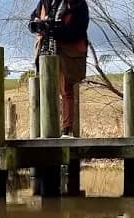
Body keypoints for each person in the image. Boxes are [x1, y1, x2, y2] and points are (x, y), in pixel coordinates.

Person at [29, 0, 89, 137]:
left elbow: (78, 31)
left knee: (66, 90)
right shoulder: (45, 2)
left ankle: (66, 130)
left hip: (68, 54)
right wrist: (37, 25)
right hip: (46, 52)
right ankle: (45, 130)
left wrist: (53, 30)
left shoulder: (78, 4)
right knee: (44, 91)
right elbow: (33, 17)